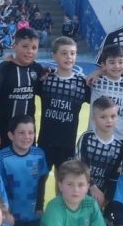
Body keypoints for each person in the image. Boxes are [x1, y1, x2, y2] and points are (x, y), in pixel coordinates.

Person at [36, 36, 89, 179]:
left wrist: (99, 73)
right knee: (40, 180)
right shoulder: (46, 80)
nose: (69, 57)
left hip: (67, 144)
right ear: (54, 56)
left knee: (64, 182)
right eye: (64, 53)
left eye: (72, 53)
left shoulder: (82, 83)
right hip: (45, 142)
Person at [0, 115, 48, 226]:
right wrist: (4, 212)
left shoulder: (39, 154)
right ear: (11, 135)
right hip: (13, 216)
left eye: (31, 132)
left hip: (33, 214)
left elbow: (42, 181)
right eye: (21, 133)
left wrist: (39, 207)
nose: (27, 137)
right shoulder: (2, 157)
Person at [0, 27, 44, 149]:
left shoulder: (37, 70)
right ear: (15, 46)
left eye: (34, 48)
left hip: (28, 136)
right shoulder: (2, 70)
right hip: (4, 132)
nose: (29, 51)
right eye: (25, 46)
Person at [88, 44, 123, 168]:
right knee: (92, 171)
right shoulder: (95, 82)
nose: (117, 66)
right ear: (103, 65)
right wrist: (98, 72)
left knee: (116, 172)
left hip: (121, 137)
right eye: (112, 62)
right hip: (96, 135)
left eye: (120, 62)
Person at [76, 97, 123, 211]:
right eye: (103, 117)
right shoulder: (86, 138)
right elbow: (80, 166)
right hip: (80, 191)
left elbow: (115, 177)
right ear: (94, 118)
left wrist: (106, 199)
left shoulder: (119, 147)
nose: (109, 120)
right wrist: (92, 186)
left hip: (102, 197)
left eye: (113, 116)